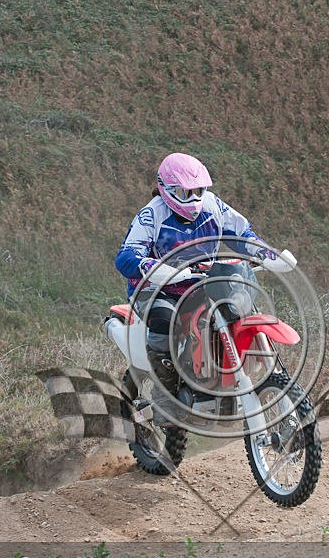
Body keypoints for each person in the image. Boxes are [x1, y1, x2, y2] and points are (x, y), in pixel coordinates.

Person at [115, 152, 287, 424]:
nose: (194, 198)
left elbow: (241, 234)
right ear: (168, 189)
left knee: (236, 308)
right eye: (186, 192)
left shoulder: (213, 205)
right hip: (157, 288)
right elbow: (126, 256)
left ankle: (222, 378)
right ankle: (165, 400)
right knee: (165, 321)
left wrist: (265, 253)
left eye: (198, 190)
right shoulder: (152, 214)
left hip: (202, 282)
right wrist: (152, 266)